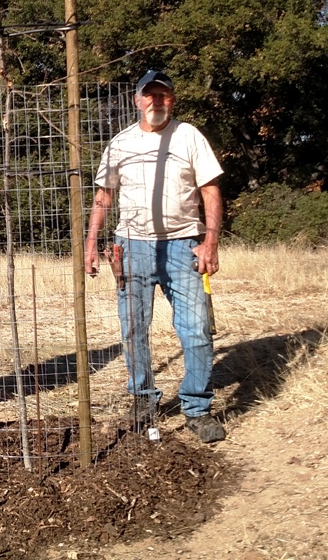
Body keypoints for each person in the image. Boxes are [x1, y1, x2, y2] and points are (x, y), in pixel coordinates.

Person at [84, 70, 227, 443]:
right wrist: (90, 243)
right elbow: (103, 197)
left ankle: (196, 407)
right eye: (150, 96)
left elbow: (210, 191)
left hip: (183, 244)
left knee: (196, 328)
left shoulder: (189, 136)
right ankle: (143, 400)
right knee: (133, 329)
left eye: (163, 96)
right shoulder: (119, 144)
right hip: (131, 247)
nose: (156, 102)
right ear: (137, 100)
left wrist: (210, 242)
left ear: (172, 101)